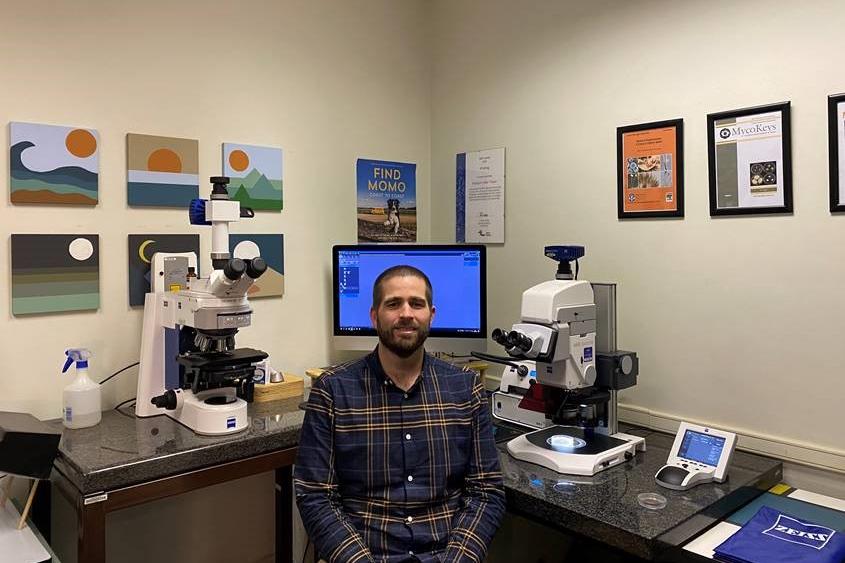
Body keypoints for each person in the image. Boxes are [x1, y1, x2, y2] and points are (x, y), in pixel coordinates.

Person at [295, 265, 505, 563]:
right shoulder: (333, 391)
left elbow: (486, 493)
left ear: (431, 314)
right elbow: (315, 497)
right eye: (393, 304)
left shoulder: (465, 388)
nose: (406, 313)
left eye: (416, 304)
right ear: (374, 316)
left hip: (445, 555)